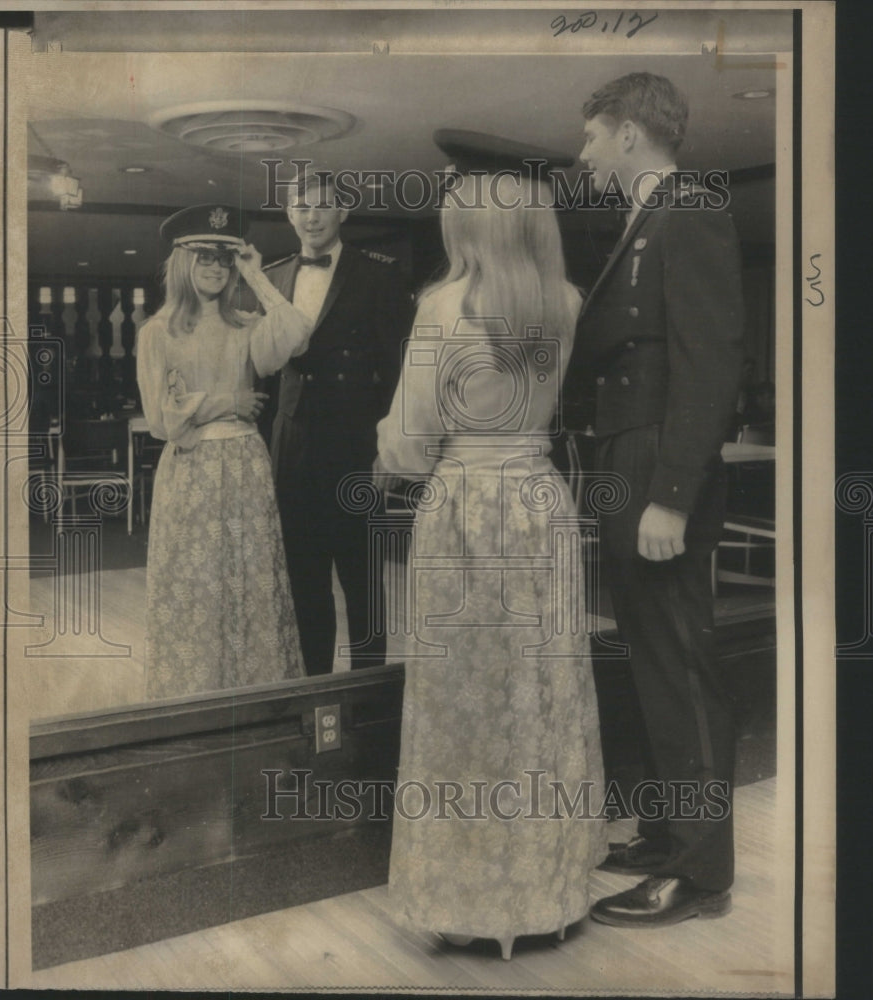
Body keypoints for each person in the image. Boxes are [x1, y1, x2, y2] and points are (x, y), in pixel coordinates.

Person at [377, 131, 608, 960]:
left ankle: (466, 895)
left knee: (461, 705)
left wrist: (386, 455)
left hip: (468, 510)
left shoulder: (441, 307)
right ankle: (545, 888)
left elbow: (408, 440)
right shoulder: (566, 302)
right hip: (539, 507)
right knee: (538, 696)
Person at [562, 72, 744, 926]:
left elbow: (709, 369)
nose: (584, 152)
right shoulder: (646, 218)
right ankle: (669, 829)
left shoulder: (691, 210)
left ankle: (698, 873)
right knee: (650, 658)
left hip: (656, 474)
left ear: (628, 133)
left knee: (678, 666)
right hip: (626, 460)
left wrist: (670, 498)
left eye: (591, 136)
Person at [136, 203, 312, 699]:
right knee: (195, 584)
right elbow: (160, 418)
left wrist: (257, 277)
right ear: (182, 264)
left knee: (249, 581)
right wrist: (223, 401)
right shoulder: (158, 332)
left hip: (245, 466)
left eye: (224, 258)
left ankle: (254, 697)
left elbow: (296, 337)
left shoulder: (248, 324)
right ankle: (195, 699)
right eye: (204, 257)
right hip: (191, 469)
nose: (215, 268)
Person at [264, 169, 412, 674]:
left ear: (343, 211)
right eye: (301, 205)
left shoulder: (379, 274)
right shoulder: (273, 276)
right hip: (293, 446)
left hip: (355, 447)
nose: (311, 215)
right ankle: (316, 703)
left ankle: (369, 703)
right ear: (289, 213)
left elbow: (400, 368)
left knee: (363, 580)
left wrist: (389, 449)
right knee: (304, 582)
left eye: (323, 205)